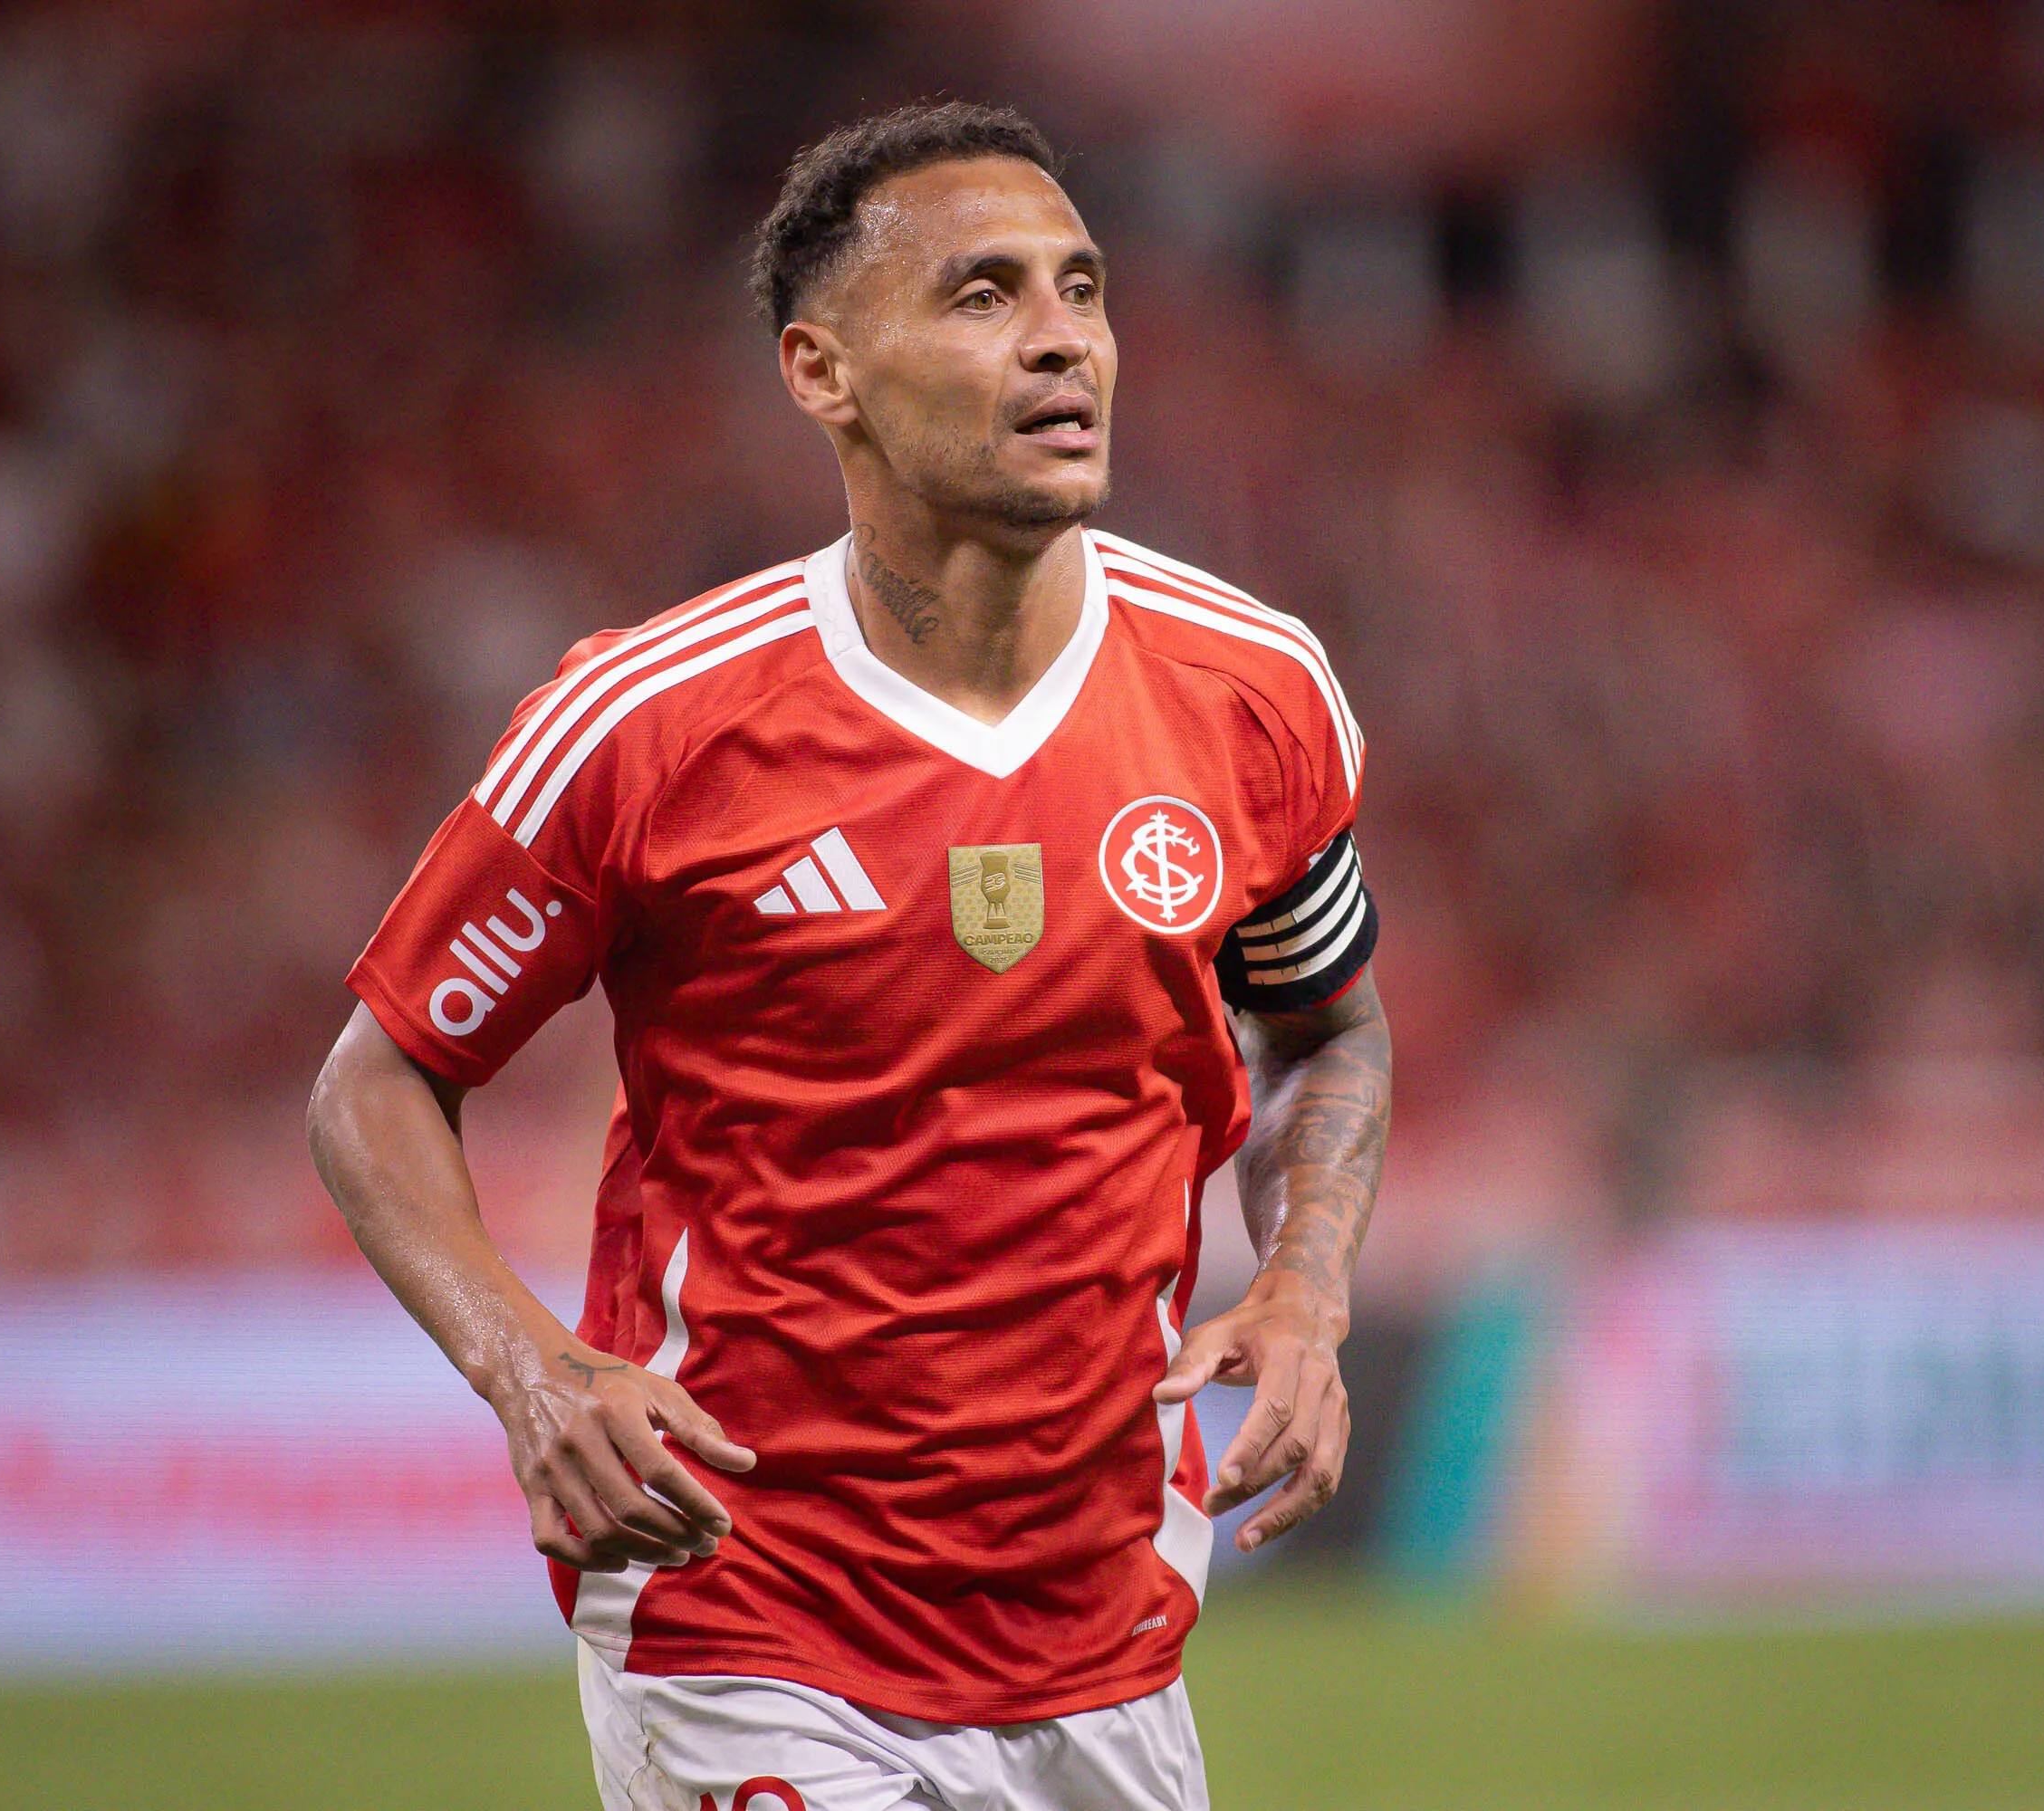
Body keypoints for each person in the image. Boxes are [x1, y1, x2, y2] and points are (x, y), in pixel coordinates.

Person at [306, 101, 1389, 1811]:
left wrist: (1307, 1281)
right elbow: (378, 1083)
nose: (1063, 340)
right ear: (823, 372)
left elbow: (1328, 1031)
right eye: (981, 294)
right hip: (745, 1596)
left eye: (1082, 289)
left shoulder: (1256, 694)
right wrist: (528, 1368)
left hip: (1106, 1614)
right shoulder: (645, 725)